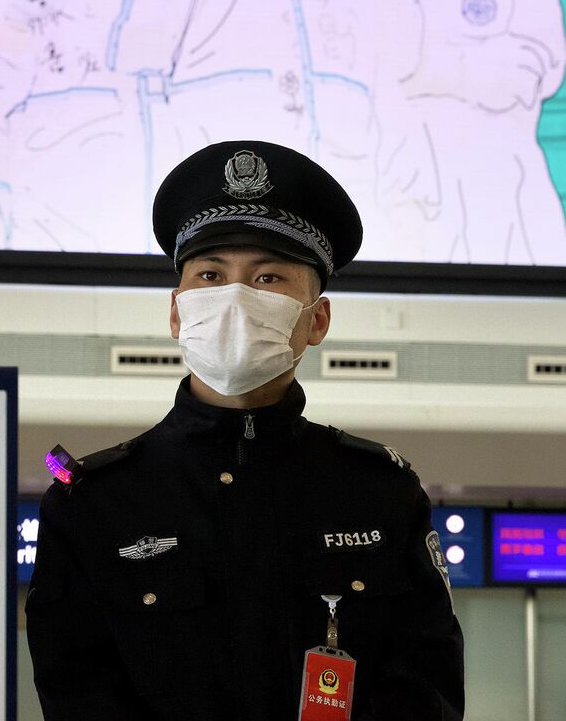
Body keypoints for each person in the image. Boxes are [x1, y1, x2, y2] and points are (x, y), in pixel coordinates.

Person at [25, 140, 466, 720]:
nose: (234, 298)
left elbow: (425, 686)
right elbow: (76, 691)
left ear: (318, 320)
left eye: (268, 278)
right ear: (179, 312)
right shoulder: (95, 504)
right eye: (211, 275)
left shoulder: (380, 492)